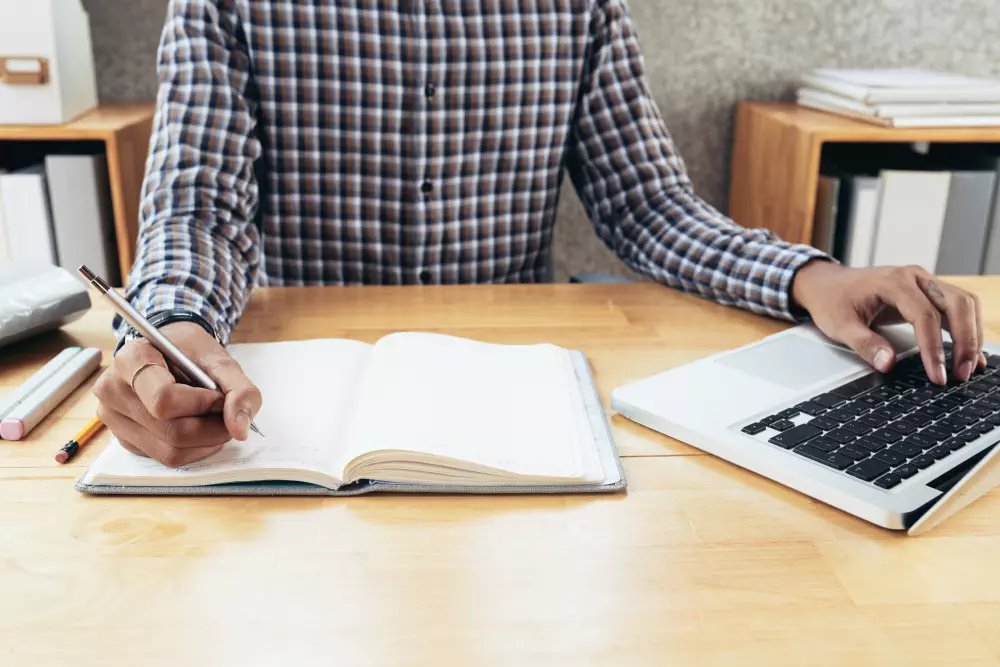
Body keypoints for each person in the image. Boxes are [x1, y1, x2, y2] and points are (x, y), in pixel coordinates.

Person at [93, 0, 985, 467]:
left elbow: (647, 204)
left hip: (515, 390)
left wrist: (809, 278)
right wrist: (173, 328)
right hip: (294, 400)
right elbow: (198, 208)